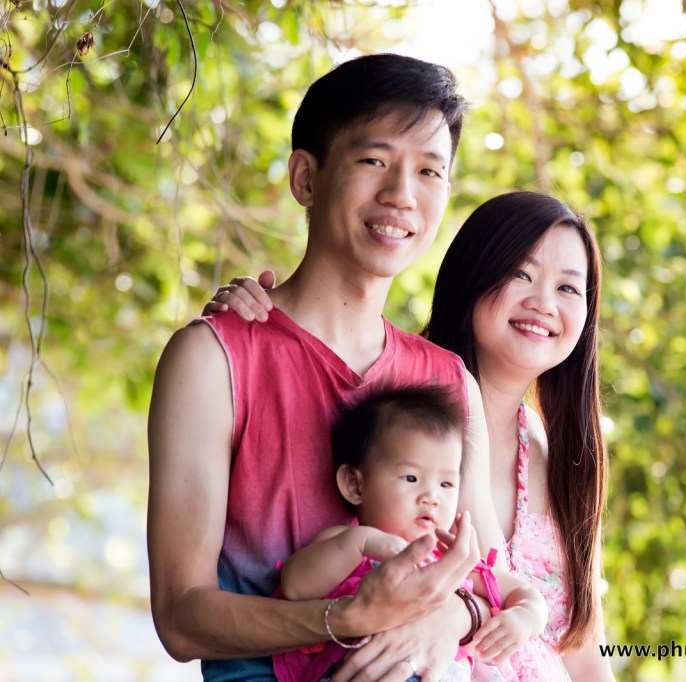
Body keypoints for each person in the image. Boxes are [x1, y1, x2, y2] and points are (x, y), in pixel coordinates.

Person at [147, 53, 510, 682]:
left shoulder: (450, 383)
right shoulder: (213, 359)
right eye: (375, 160)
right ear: (306, 179)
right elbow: (180, 618)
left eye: (429, 170)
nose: (402, 194)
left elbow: (488, 581)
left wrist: (454, 618)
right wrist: (345, 617)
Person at [206, 191, 616, 681]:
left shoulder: (556, 451)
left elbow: (584, 650)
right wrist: (251, 313)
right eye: (520, 275)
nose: (543, 304)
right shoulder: (390, 408)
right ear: (472, 276)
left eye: (570, 289)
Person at [274, 385, 547, 682]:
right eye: (411, 478)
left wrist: (525, 618)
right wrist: (361, 542)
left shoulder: (449, 559)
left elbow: (525, 594)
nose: (431, 497)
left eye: (446, 484)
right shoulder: (346, 544)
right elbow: (295, 586)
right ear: (354, 484)